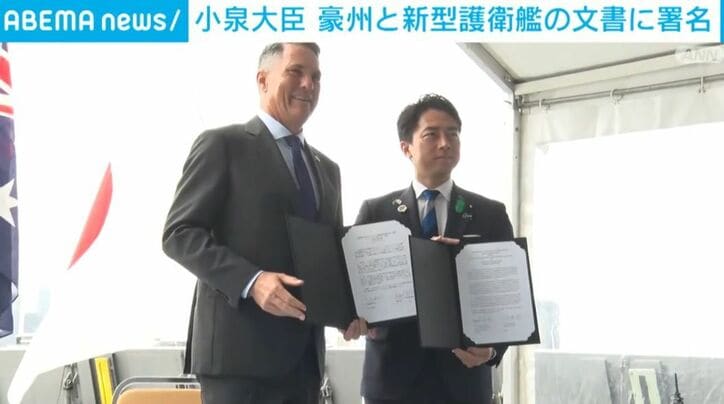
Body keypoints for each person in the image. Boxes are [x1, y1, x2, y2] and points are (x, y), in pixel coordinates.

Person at [162, 42, 342, 404]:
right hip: (239, 362)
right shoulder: (223, 144)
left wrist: (351, 310)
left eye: (316, 77)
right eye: (295, 72)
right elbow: (179, 234)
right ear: (263, 80)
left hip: (305, 364)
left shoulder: (328, 169)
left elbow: (332, 255)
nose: (308, 84)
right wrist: (252, 280)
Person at [346, 94, 514, 404]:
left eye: (453, 134)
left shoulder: (490, 214)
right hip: (391, 383)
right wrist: (351, 317)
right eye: (431, 134)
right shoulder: (375, 212)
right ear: (406, 147)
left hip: (464, 383)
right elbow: (354, 289)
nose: (445, 143)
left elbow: (506, 296)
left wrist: (492, 351)